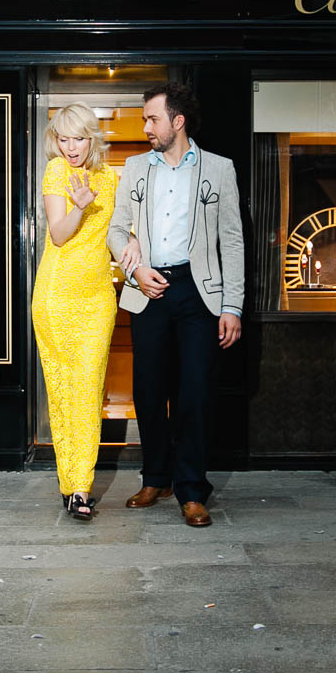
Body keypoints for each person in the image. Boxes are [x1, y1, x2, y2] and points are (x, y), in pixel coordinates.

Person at [107, 84, 244, 528]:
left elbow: (233, 242)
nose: (145, 126)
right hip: (148, 289)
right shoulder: (133, 169)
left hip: (198, 291)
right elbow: (115, 231)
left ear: (177, 121)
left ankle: (190, 489)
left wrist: (232, 306)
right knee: (148, 390)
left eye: (152, 119)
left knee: (196, 392)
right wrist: (134, 270)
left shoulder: (219, 169)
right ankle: (156, 477)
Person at [30, 103, 140, 520]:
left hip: (96, 297)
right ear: (55, 141)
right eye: (63, 138)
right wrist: (78, 205)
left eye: (78, 137)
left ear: (93, 138)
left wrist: (134, 242)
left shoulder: (112, 179)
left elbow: (119, 231)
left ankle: (79, 480)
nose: (71, 146)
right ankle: (75, 487)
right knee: (63, 390)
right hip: (57, 296)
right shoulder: (57, 172)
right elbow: (58, 235)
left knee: (89, 388)